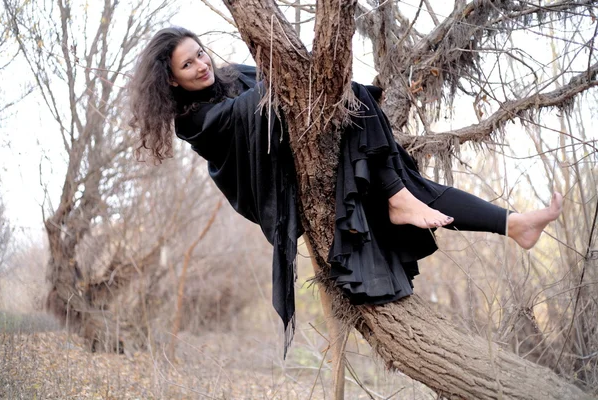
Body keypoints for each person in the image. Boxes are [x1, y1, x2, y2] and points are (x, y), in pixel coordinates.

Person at [128, 27, 563, 351]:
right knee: (351, 101)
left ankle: (513, 223)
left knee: (408, 177)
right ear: (171, 80)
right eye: (188, 65)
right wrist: (304, 78)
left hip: (311, 156)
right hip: (287, 189)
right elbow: (269, 100)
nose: (202, 65)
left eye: (200, 53)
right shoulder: (193, 122)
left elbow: (285, 85)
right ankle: (399, 199)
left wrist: (311, 80)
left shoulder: (229, 76)